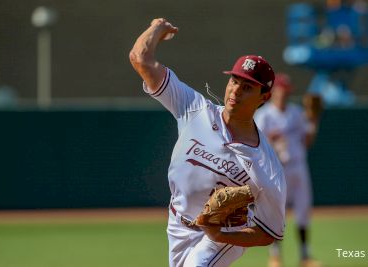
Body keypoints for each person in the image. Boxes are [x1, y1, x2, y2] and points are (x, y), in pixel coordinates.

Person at [129, 18, 287, 267]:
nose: (236, 90)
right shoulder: (194, 109)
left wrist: (220, 234)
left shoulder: (266, 166)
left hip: (218, 239)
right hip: (176, 225)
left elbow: (271, 232)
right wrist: (157, 27)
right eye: (234, 80)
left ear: (264, 97)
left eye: (247, 87)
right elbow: (140, 59)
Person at [255, 73, 321, 267]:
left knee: (303, 210)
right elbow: (255, 145)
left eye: (286, 91)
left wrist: (315, 121)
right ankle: (275, 255)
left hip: (298, 166)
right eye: (280, 90)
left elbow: (306, 142)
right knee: (277, 212)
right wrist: (269, 139)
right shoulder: (264, 115)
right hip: (277, 170)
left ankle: (305, 255)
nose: (284, 94)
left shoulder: (296, 112)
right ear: (273, 91)